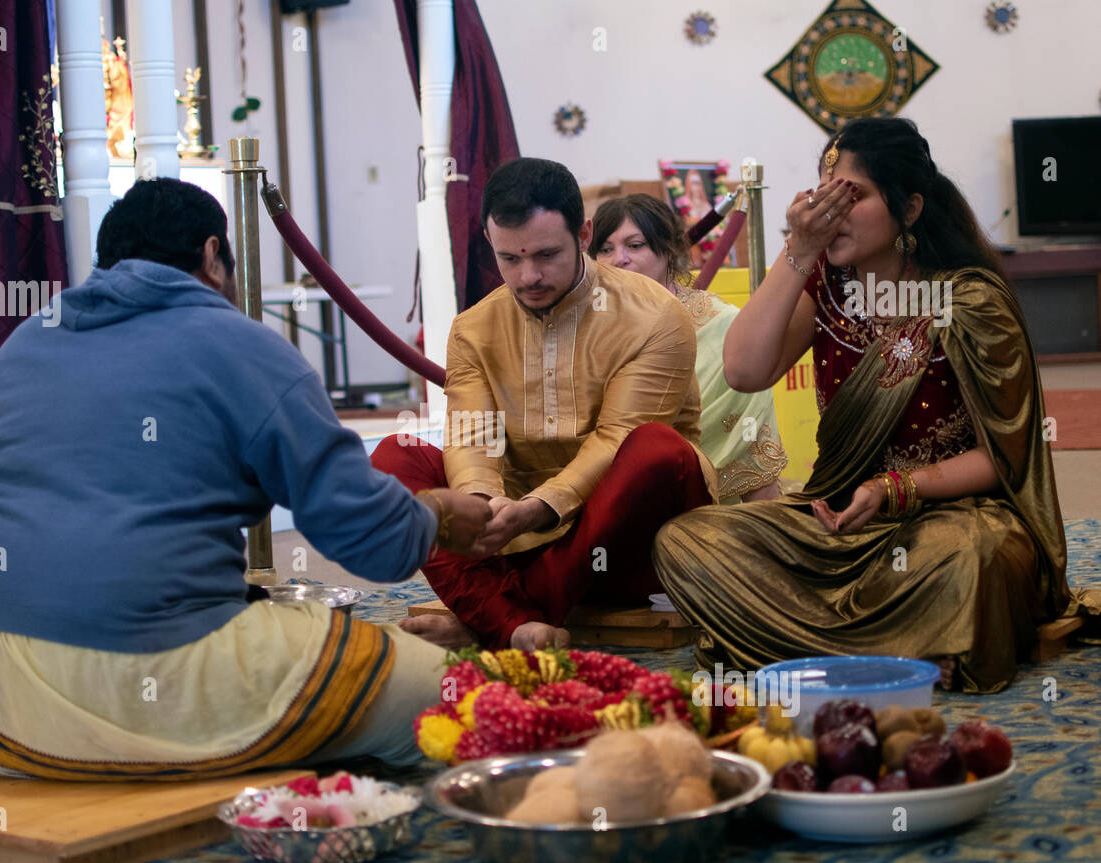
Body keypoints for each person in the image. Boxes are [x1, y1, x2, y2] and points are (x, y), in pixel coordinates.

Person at [0, 178, 491, 780]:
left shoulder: (20, 346)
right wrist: (438, 517)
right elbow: (368, 537)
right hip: (134, 658)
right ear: (213, 256)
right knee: (446, 695)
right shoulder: (241, 345)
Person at [653, 118, 1099, 693]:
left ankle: (813, 643)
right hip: (834, 524)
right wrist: (798, 250)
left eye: (852, 196)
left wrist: (893, 489)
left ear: (910, 210)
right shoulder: (826, 286)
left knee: (969, 555)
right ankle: (906, 645)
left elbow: (1004, 459)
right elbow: (744, 369)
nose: (830, 211)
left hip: (950, 519)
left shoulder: (969, 302)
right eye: (822, 195)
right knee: (688, 541)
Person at [371, 157, 716, 652]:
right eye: (509, 259)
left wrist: (537, 508)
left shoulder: (656, 316)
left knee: (656, 449)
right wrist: (483, 505)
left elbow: (617, 440)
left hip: (633, 547)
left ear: (584, 234)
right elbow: (473, 438)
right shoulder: (474, 328)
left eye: (547, 255)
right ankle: (517, 625)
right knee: (393, 458)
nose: (528, 276)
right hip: (517, 540)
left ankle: (492, 622)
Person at [591, 193, 787, 502]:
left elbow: (754, 461)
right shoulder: (587, 330)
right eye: (605, 249)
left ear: (669, 250)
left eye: (635, 245)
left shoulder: (722, 325)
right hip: (612, 506)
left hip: (717, 515)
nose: (619, 259)